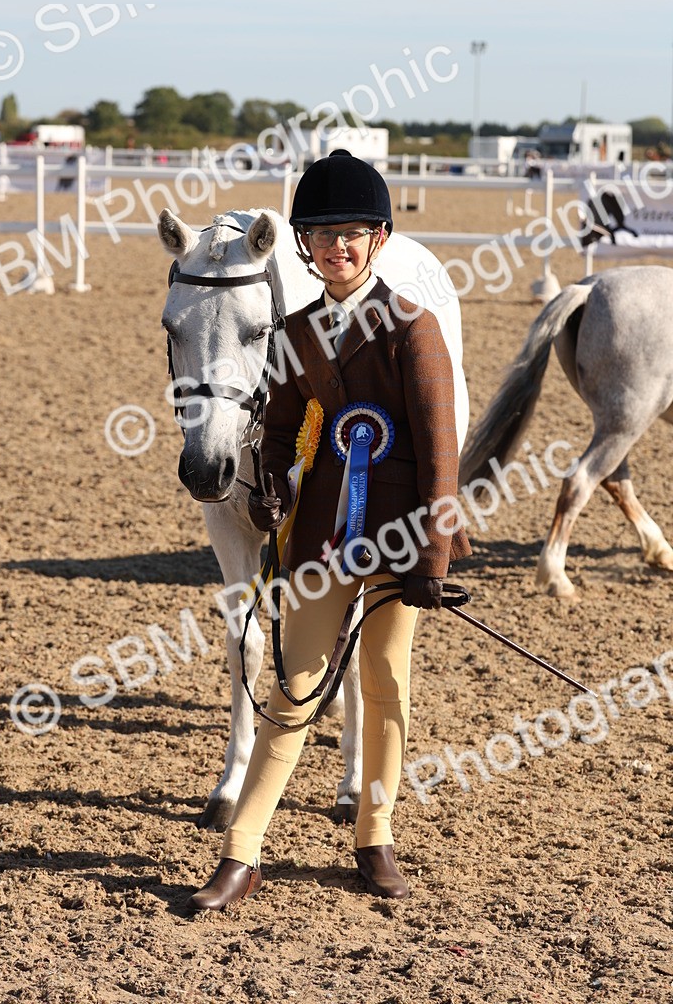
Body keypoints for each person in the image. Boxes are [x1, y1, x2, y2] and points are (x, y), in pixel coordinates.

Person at [188, 150, 470, 910]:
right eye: (320, 234)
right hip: (319, 541)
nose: (335, 248)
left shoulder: (415, 329)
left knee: (385, 688)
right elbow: (279, 431)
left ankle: (374, 837)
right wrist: (276, 485)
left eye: (350, 234)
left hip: (401, 540)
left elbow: (441, 450)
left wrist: (434, 556)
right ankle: (241, 855)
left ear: (378, 239)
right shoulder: (297, 332)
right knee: (293, 688)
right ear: (304, 245)